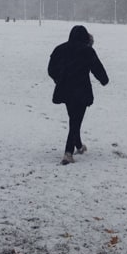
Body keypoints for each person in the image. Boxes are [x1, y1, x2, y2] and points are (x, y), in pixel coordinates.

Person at [47, 25, 109, 165]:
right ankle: (68, 153)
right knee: (76, 120)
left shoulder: (60, 49)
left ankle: (79, 146)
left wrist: (59, 79)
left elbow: (51, 69)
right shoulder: (87, 51)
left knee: (74, 119)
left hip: (65, 90)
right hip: (82, 90)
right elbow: (97, 67)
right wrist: (104, 80)